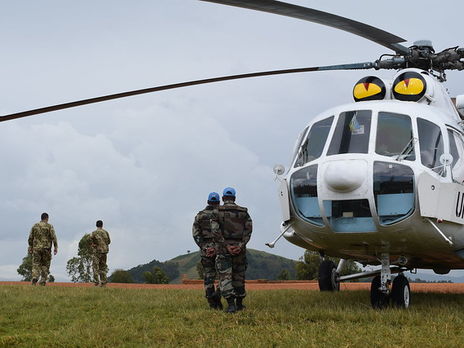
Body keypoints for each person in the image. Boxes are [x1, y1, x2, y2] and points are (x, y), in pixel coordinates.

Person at [216, 187, 252, 313]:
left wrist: (226, 246)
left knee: (225, 277)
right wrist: (240, 246)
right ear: (234, 198)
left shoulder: (217, 212)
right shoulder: (244, 212)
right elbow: (248, 231)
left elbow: (215, 231)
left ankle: (231, 305)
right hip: (239, 251)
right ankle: (240, 304)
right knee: (239, 276)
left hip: (223, 250)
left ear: (223, 198)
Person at [192, 192, 222, 309]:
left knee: (209, 277)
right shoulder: (221, 215)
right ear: (219, 202)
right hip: (220, 250)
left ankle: (212, 303)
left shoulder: (199, 216)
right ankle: (218, 295)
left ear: (208, 201)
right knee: (223, 276)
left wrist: (205, 248)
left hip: (206, 252)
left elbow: (196, 235)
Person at [28, 212, 58, 286]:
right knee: (45, 265)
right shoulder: (49, 226)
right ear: (47, 218)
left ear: (41, 218)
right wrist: (55, 247)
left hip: (36, 249)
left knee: (36, 264)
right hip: (46, 249)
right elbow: (53, 237)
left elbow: (30, 238)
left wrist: (30, 247)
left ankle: (35, 277)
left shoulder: (35, 226)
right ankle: (42, 281)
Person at [90, 220, 111, 287]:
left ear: (96, 225)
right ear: (102, 225)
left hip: (97, 252)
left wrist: (94, 245)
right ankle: (103, 282)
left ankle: (96, 282)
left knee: (95, 267)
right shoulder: (106, 232)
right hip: (104, 252)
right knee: (103, 267)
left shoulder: (94, 233)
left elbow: (89, 240)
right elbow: (109, 242)